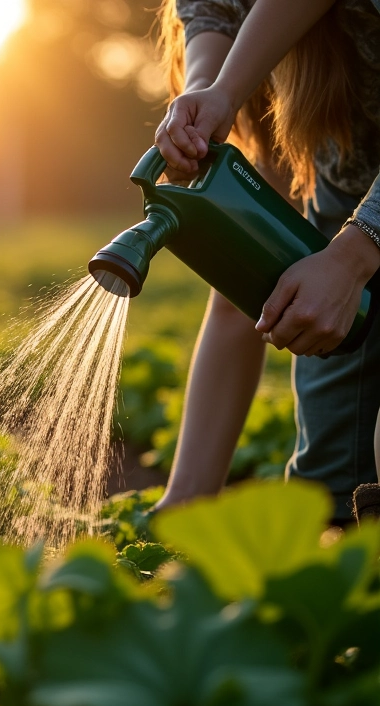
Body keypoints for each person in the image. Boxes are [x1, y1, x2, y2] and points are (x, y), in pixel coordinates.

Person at [151, 0, 380, 523]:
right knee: (323, 503)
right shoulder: (281, 80)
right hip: (346, 201)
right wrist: (213, 92)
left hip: (363, 226)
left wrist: (354, 254)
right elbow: (238, 303)